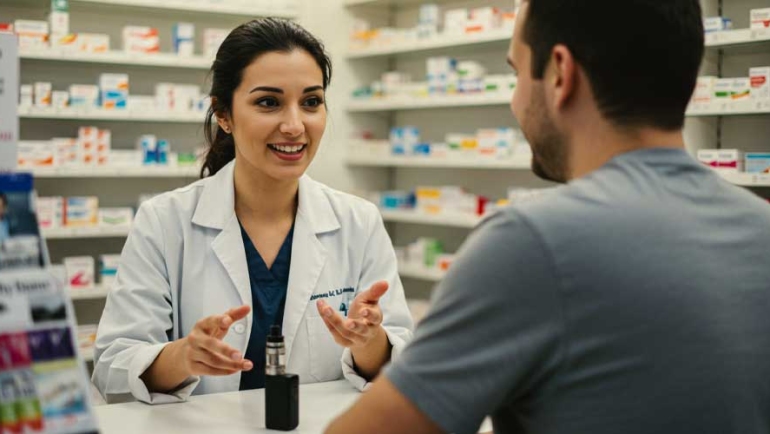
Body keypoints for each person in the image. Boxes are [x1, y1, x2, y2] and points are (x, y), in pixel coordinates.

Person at [326, 1, 770, 433]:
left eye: (517, 73)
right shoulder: (760, 227)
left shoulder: (532, 243)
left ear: (560, 73)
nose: (516, 100)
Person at [92, 18, 413, 404]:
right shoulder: (164, 221)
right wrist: (184, 356)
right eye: (268, 102)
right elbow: (112, 366)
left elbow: (399, 364)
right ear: (224, 114)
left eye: (311, 102)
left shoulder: (358, 221)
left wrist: (369, 340)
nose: (294, 125)